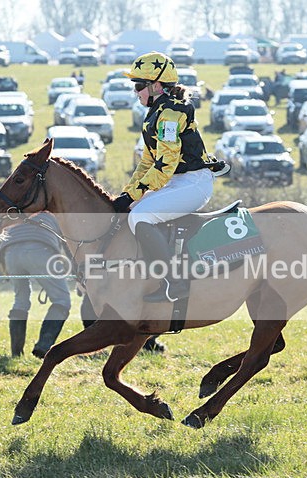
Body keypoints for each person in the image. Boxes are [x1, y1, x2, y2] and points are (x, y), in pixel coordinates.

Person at [112, 51, 219, 303]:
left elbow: (164, 167)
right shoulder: (156, 111)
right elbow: (147, 162)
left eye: (139, 85)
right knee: (133, 209)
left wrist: (133, 196)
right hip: (178, 181)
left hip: (193, 183)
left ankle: (174, 281)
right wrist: (127, 194)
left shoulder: (170, 115)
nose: (136, 92)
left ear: (157, 86)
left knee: (140, 216)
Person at [0, 212, 71, 358]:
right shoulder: (57, 212)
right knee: (62, 300)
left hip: (9, 252)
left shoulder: (24, 208)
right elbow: (68, 244)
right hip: (40, 248)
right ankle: (43, 347)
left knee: (21, 300)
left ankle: (16, 353)